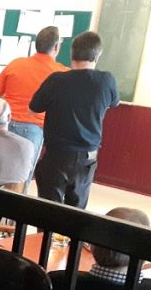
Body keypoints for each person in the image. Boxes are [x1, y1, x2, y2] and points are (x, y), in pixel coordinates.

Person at [30, 31, 119, 209]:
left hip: (57, 155)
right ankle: (74, 237)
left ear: (71, 53)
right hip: (87, 156)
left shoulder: (56, 80)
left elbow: (33, 108)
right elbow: (114, 103)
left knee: (48, 211)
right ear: (98, 54)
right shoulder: (106, 81)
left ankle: (46, 237)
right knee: (77, 213)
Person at [0, 26, 68, 192]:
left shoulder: (16, 64)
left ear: (36, 45)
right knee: (22, 177)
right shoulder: (61, 73)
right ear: (56, 47)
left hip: (4, 124)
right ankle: (14, 214)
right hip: (33, 129)